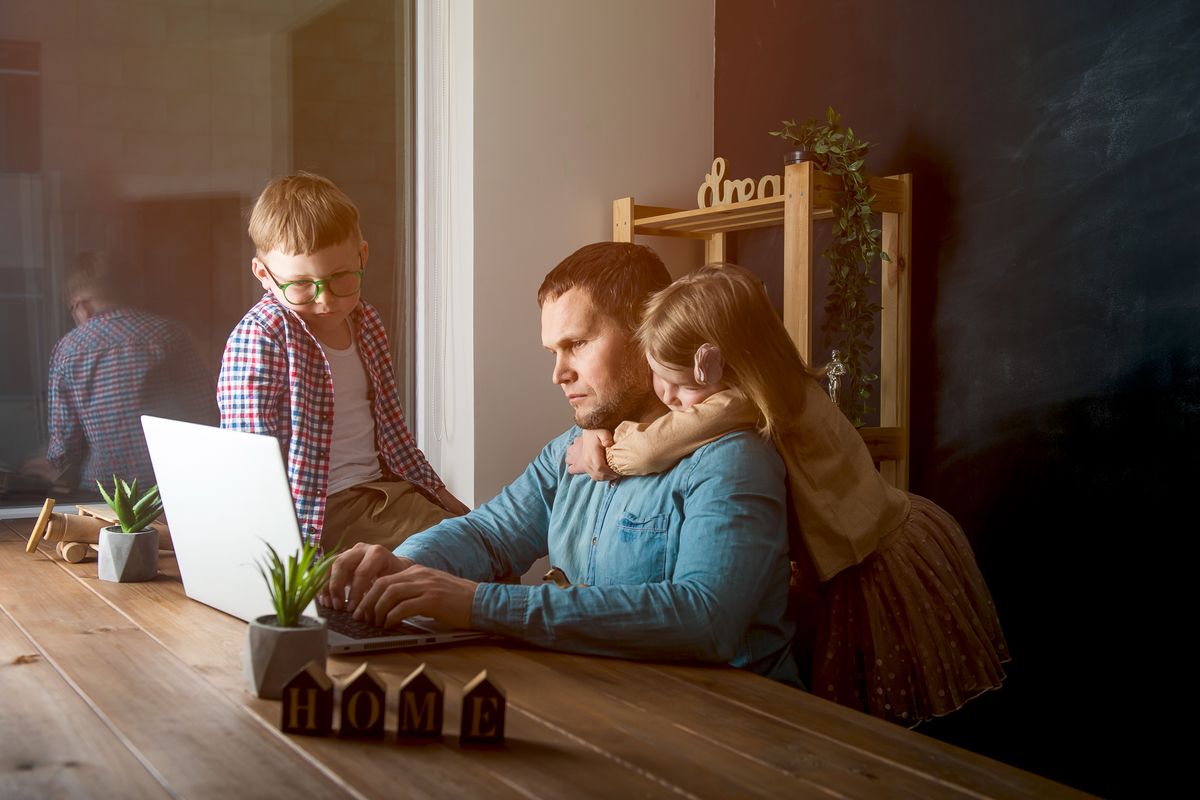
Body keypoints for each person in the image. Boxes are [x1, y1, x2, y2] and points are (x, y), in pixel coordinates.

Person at [321, 242, 798, 682]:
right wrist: (399, 568)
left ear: (643, 334)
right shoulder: (571, 449)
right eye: (553, 351)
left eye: (578, 344)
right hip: (613, 707)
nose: (558, 373)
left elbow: (705, 619)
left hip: (737, 726)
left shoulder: (733, 457)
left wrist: (477, 604)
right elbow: (488, 535)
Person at [567, 263, 1010, 726]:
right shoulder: (768, 382)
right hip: (872, 540)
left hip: (875, 560)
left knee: (880, 711)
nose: (669, 396)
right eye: (660, 378)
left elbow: (660, 444)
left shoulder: (750, 399)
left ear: (721, 363)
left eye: (680, 383)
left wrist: (602, 453)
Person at [217, 172, 468, 551]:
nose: (325, 300)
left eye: (341, 279)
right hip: (319, 514)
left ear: (362, 256)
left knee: (483, 545)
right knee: (458, 557)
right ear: (264, 275)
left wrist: (443, 497)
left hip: (383, 491)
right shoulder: (261, 337)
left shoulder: (366, 323)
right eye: (301, 285)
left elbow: (394, 436)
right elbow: (250, 466)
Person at [35, 251, 217, 492]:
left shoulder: (67, 350)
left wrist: (52, 465)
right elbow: (203, 410)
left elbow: (66, 443)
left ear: (83, 306)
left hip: (103, 490)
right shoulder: (169, 334)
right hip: (170, 483)